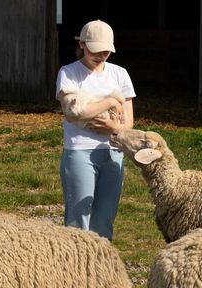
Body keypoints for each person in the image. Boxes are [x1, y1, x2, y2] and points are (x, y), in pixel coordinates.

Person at [55, 19, 136, 240]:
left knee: (105, 216)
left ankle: (101, 268)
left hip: (112, 151)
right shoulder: (69, 73)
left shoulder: (119, 74)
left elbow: (128, 122)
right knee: (78, 218)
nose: (100, 56)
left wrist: (114, 127)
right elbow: (73, 114)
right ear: (82, 44)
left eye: (106, 52)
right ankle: (74, 268)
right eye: (95, 50)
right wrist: (110, 102)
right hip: (79, 150)